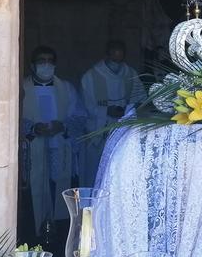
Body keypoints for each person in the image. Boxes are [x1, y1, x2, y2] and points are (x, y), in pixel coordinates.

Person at [20, 46, 86, 238]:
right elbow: (10, 117)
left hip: (59, 148)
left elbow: (80, 116)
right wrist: (32, 128)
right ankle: (33, 237)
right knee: (34, 195)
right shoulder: (22, 88)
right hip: (32, 149)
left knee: (58, 191)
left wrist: (63, 126)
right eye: (41, 61)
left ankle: (57, 239)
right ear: (32, 65)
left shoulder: (66, 88)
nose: (46, 65)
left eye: (50, 61)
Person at [80, 39, 145, 185]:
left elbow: (140, 98)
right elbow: (86, 105)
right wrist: (107, 111)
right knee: (96, 172)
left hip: (122, 128)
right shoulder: (91, 76)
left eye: (120, 56)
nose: (117, 60)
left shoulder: (130, 73)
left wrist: (127, 110)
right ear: (107, 54)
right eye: (114, 55)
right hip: (99, 130)